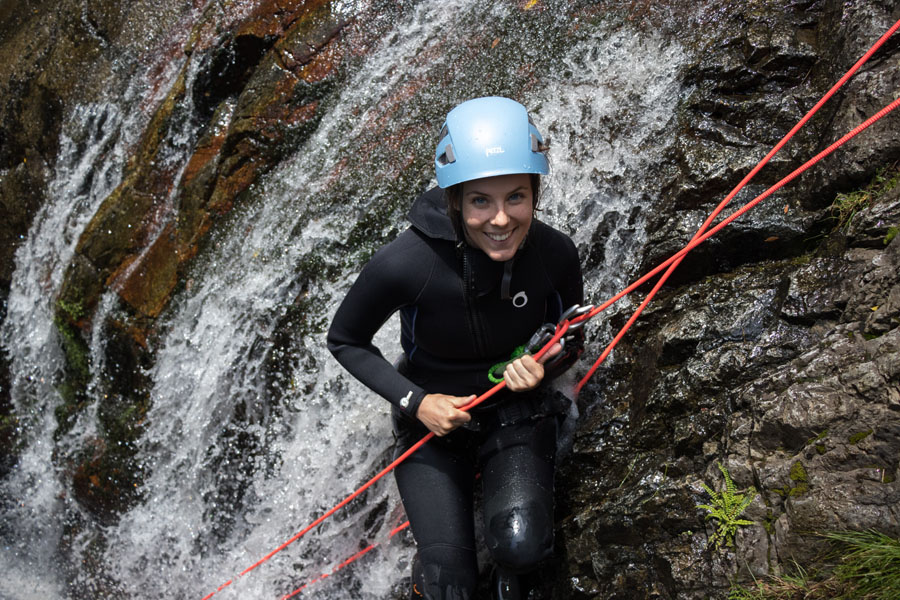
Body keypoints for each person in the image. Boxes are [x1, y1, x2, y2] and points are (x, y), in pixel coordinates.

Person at [327, 96, 584, 600]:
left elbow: (570, 336)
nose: (501, 219)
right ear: (456, 200)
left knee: (521, 548)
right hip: (432, 424)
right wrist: (417, 402)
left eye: (516, 197)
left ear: (534, 193)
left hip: (516, 412)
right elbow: (345, 340)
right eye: (481, 201)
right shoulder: (406, 262)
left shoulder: (555, 255)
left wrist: (545, 367)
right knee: (449, 585)